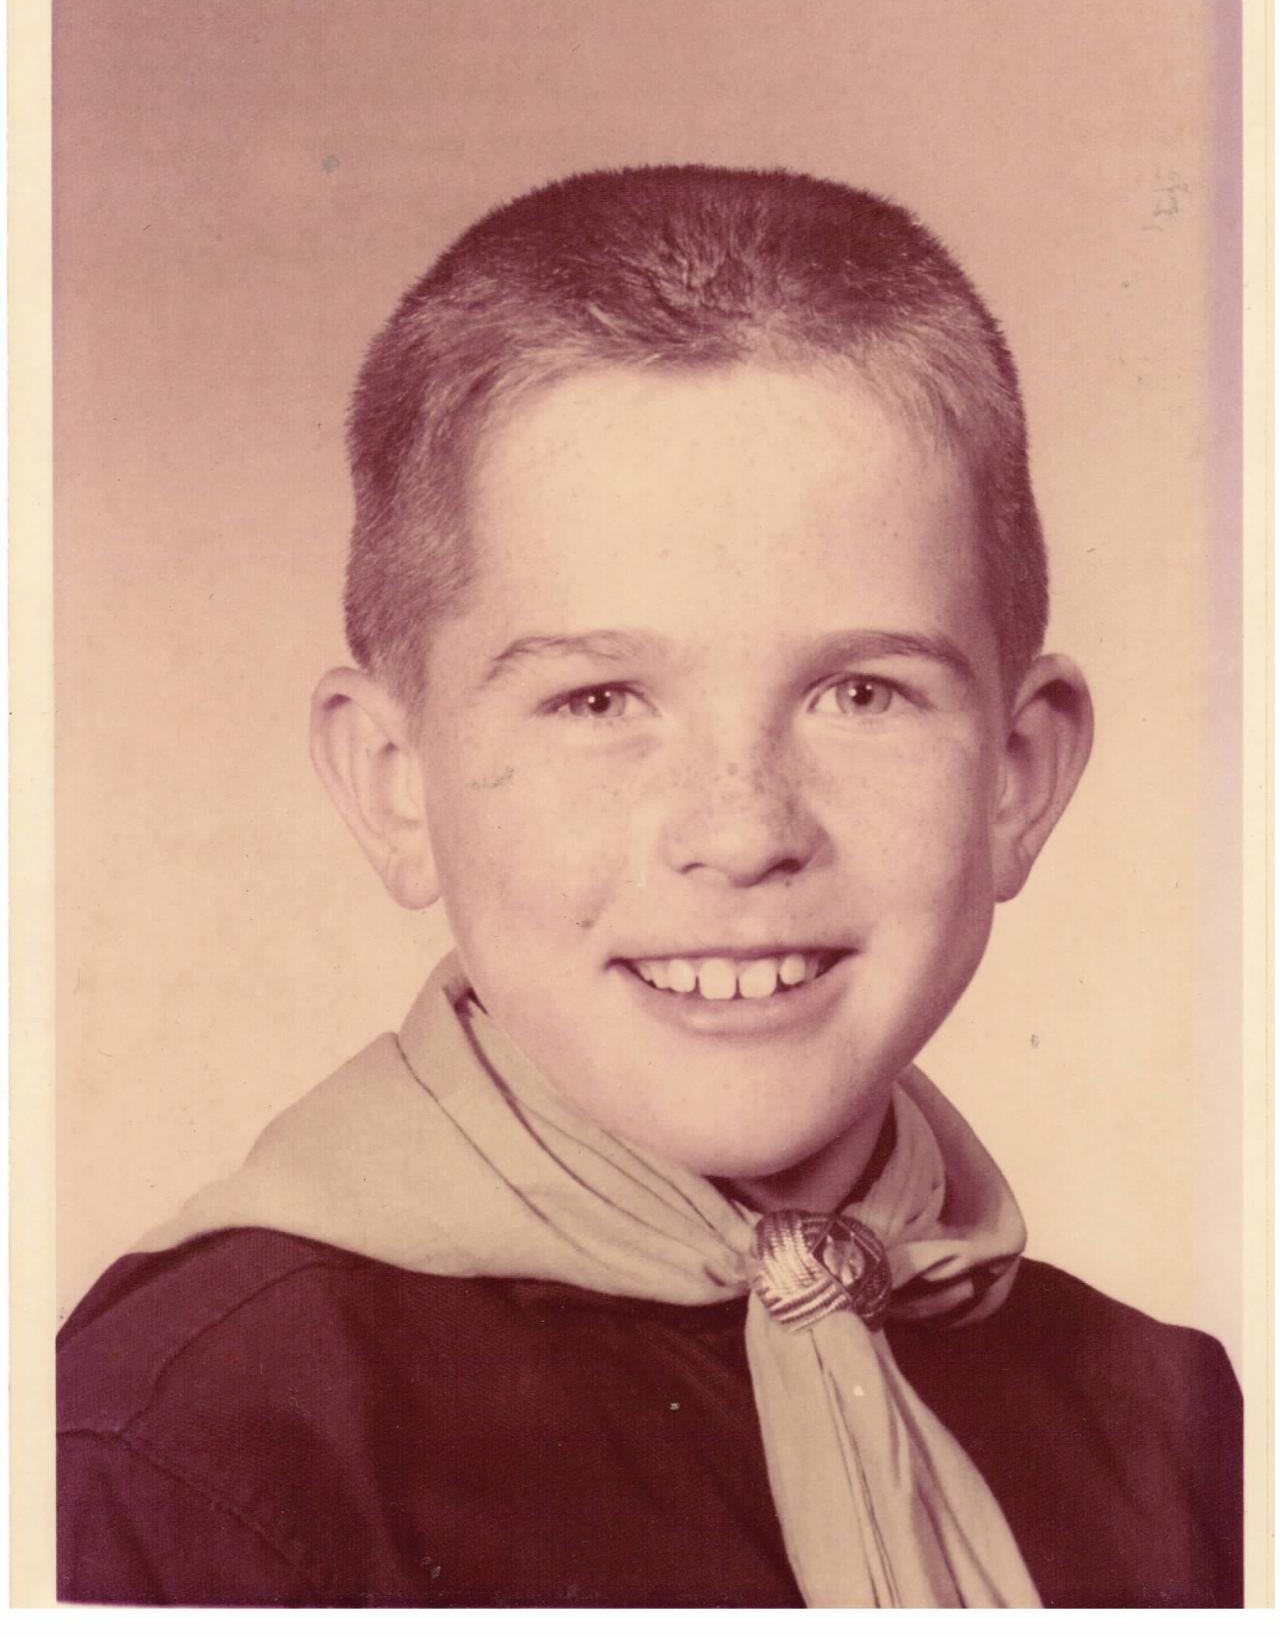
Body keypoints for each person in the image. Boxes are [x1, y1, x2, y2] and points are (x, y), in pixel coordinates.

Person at [56, 166, 1242, 1608]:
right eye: (600, 700)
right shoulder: (174, 1460)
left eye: (861, 692)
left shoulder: (1185, 1441)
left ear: (1018, 774)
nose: (741, 833)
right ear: (396, 782)